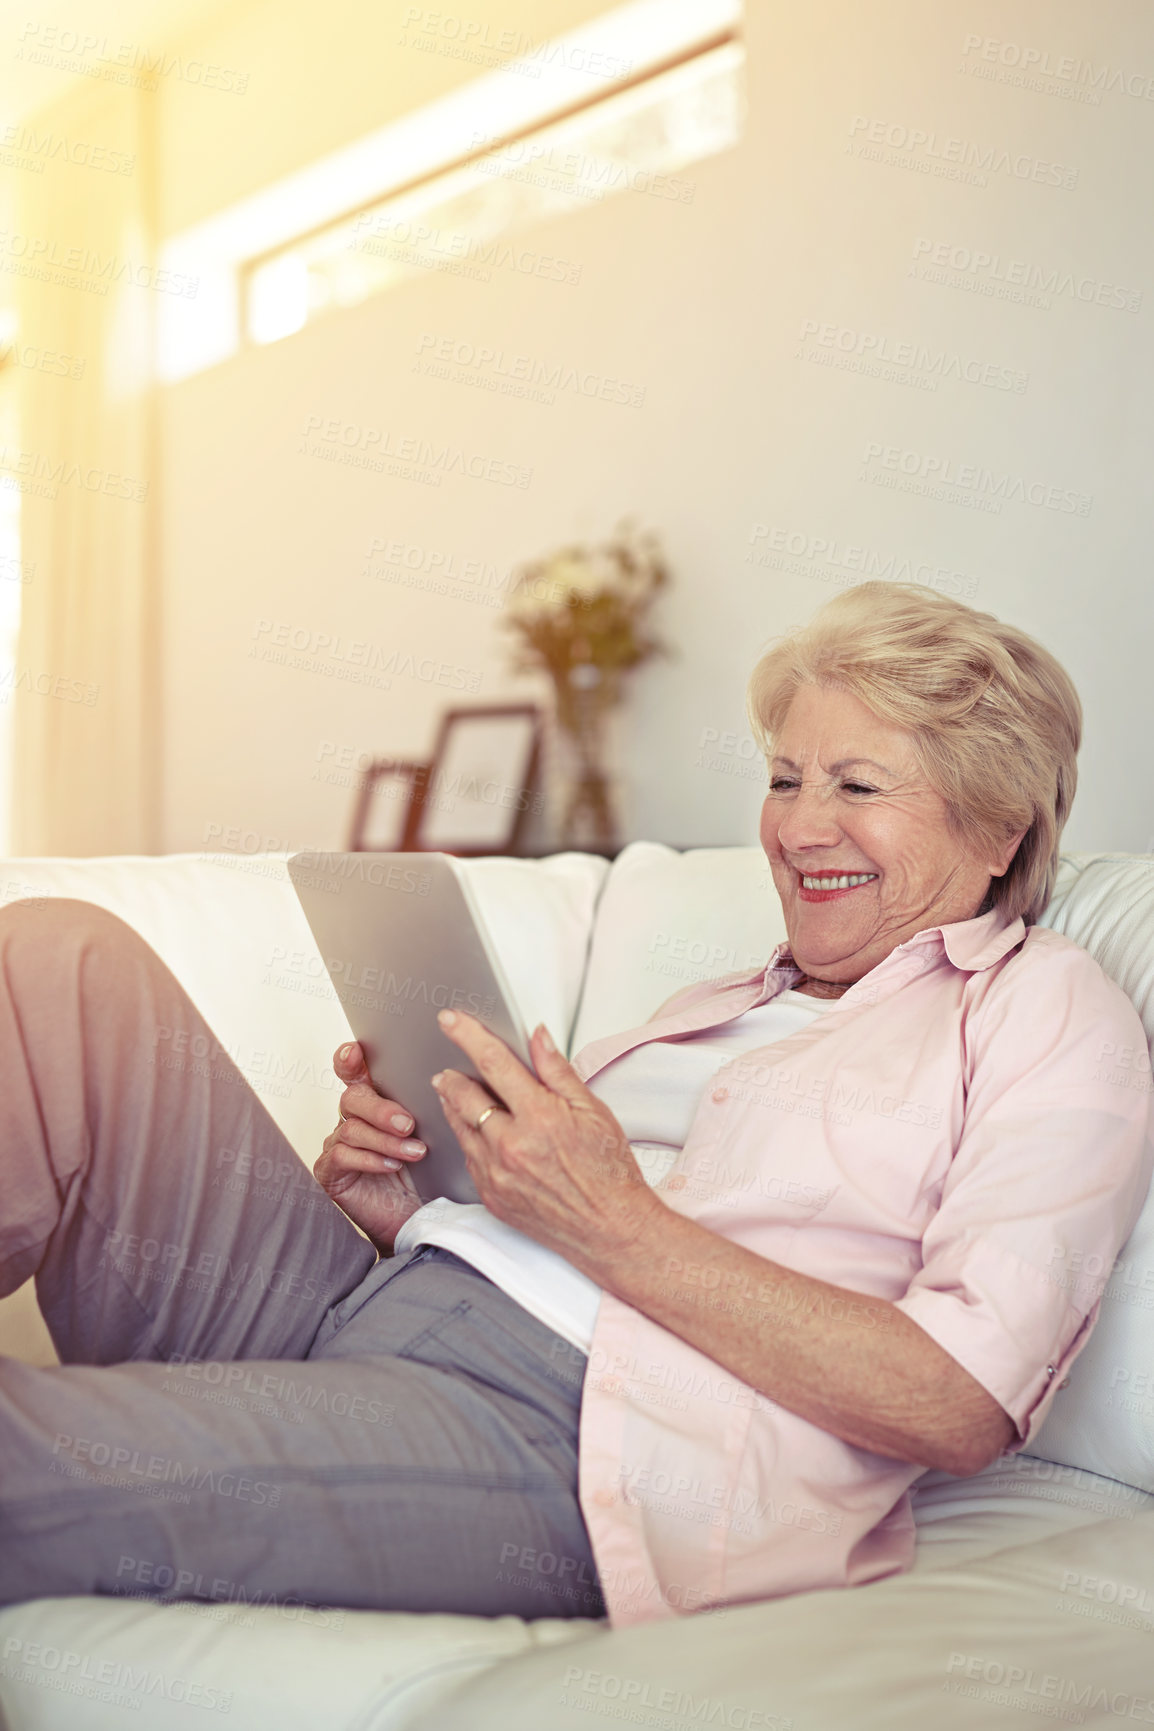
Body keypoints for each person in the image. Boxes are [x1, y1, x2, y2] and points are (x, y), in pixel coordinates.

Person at [1, 581, 1149, 1629]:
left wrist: (607, 1218)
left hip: (567, 1432)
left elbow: (959, 1401)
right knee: (59, 966)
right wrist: (403, 1208)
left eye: (856, 786)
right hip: (368, 1306)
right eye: (784, 779)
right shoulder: (723, 1002)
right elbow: (551, 1224)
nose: (799, 828)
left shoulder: (1042, 1012)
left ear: (996, 828)